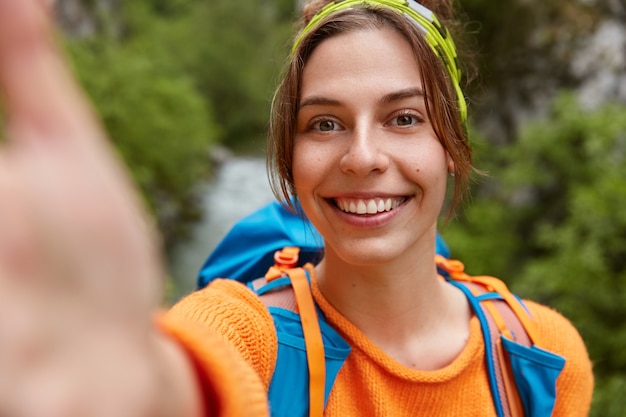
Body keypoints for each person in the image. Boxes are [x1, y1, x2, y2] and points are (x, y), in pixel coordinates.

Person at [0, 1, 593, 417]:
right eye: (325, 123)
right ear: (291, 158)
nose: (362, 157)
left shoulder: (541, 356)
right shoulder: (250, 335)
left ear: (452, 150)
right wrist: (120, 370)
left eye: (404, 118)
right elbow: (181, 378)